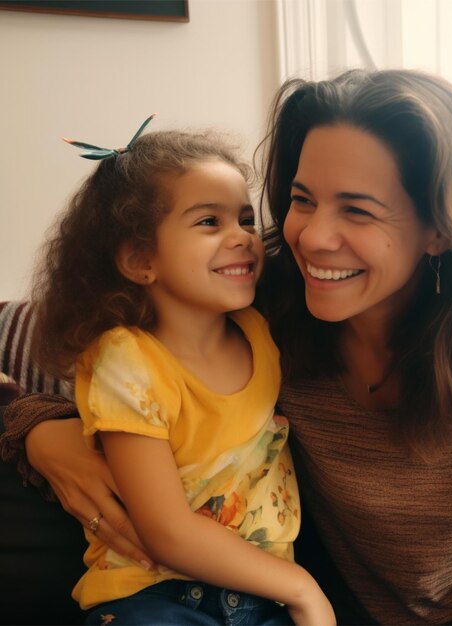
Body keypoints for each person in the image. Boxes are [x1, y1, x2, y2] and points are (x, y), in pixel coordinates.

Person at [3, 70, 452, 625]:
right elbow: (81, 331)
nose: (312, 236)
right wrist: (33, 425)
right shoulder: (262, 299)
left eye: (357, 211)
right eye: (302, 200)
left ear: (439, 228)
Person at [9, 116, 334, 626]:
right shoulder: (126, 361)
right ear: (141, 259)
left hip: (257, 598)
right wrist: (304, 591)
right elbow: (166, 531)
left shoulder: (262, 331)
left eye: (245, 219)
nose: (243, 238)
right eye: (210, 222)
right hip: (153, 597)